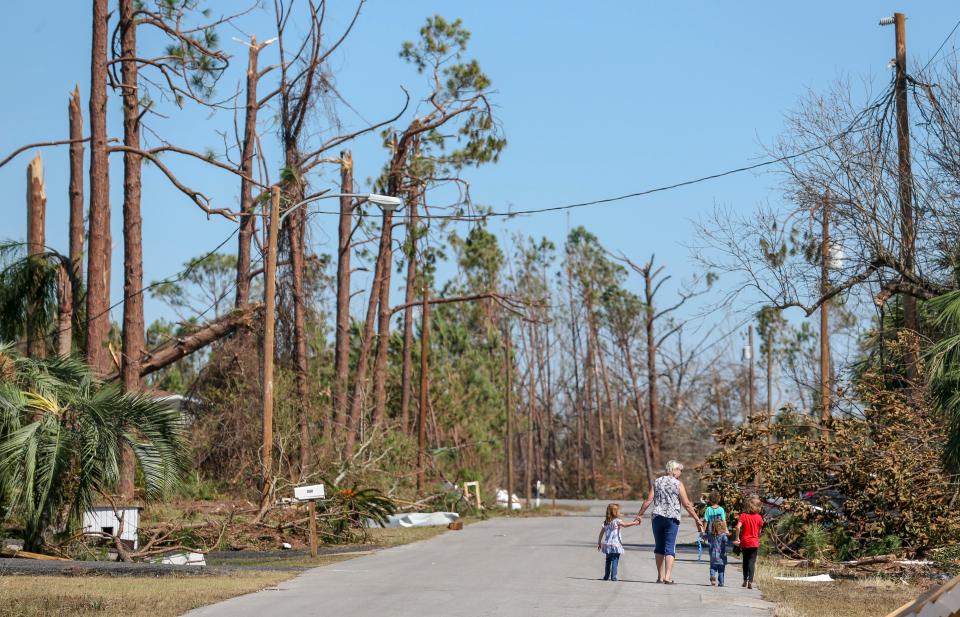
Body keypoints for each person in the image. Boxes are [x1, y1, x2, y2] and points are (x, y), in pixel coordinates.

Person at [635, 460, 704, 584]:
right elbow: (687, 504)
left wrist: (639, 515)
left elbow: (648, 500)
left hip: (657, 518)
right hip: (672, 518)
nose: (680, 473)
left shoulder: (657, 481)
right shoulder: (678, 484)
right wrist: (697, 519)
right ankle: (667, 576)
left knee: (659, 546)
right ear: (675, 470)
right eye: (680, 470)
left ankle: (660, 577)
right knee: (670, 547)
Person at [597, 503, 639, 581]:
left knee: (608, 560)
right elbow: (625, 525)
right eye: (619, 511)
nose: (620, 513)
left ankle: (606, 576)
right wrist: (634, 523)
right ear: (615, 512)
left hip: (607, 544)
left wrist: (599, 543)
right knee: (615, 560)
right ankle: (613, 576)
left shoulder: (606, 522)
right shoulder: (617, 521)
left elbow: (601, 533)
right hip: (615, 544)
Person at [733, 495, 764, 589]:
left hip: (745, 542)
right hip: (754, 542)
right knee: (752, 562)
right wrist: (757, 537)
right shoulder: (759, 517)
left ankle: (744, 580)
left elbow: (738, 527)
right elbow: (759, 531)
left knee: (745, 562)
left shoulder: (743, 516)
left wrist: (738, 538)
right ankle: (751, 581)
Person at [708, 520, 730, 587]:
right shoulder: (723, 535)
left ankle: (712, 576)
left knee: (712, 567)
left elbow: (706, 538)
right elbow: (726, 541)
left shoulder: (711, 535)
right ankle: (721, 582)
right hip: (721, 556)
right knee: (721, 570)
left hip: (713, 555)